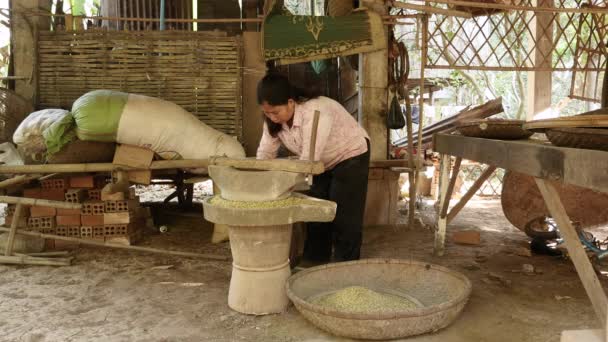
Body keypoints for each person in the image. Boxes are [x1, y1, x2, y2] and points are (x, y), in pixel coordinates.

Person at [256, 73, 370, 264]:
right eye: (267, 113)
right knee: (316, 210)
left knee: (343, 214)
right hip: (320, 162)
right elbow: (265, 155)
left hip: (350, 154)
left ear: (291, 102)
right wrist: (258, 183)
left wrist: (283, 188)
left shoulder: (315, 111)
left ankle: (346, 265)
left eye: (275, 112)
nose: (271, 117)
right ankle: (315, 260)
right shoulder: (272, 121)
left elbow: (308, 160)